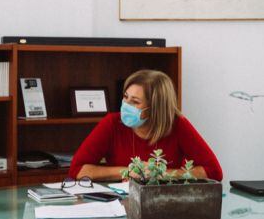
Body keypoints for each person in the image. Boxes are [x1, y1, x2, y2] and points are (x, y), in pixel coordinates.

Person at [68, 69, 223, 182]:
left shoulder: (177, 125)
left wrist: (162, 174)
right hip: (119, 203)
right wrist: (127, 171)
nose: (125, 105)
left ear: (155, 108)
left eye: (135, 102)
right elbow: (77, 170)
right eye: (125, 97)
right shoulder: (112, 123)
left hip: (165, 205)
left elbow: (214, 172)